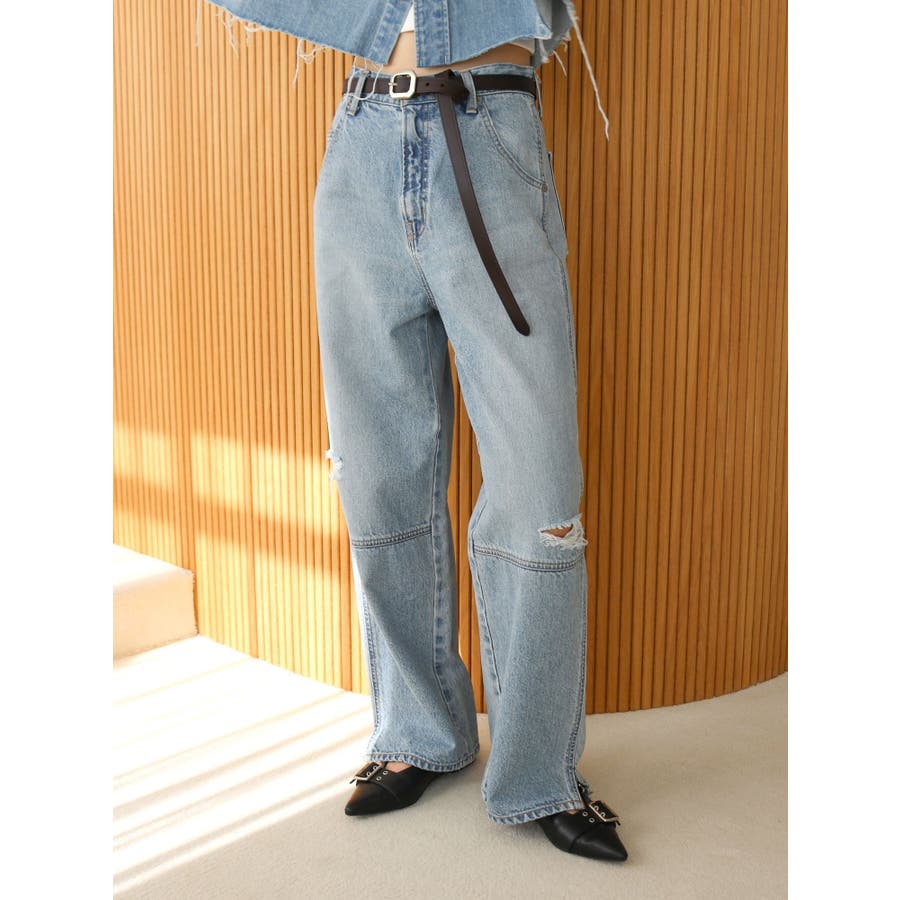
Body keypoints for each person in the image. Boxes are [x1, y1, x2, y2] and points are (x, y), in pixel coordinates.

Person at [200, 0, 626, 862]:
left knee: (539, 483)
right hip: (362, 134)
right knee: (377, 466)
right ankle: (417, 733)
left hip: (489, 126)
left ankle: (540, 772)